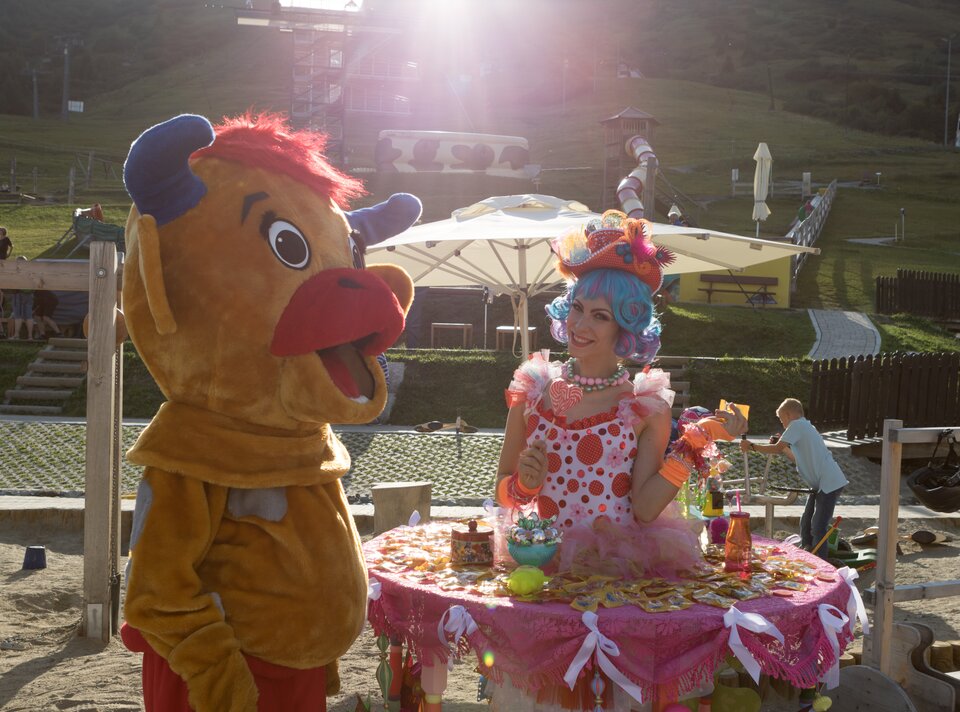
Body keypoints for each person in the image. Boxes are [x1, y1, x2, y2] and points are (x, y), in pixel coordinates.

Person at [740, 398, 847, 558]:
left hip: (829, 482)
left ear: (789, 415)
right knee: (806, 522)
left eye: (782, 419)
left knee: (818, 526)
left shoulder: (797, 425)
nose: (782, 424)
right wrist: (781, 447)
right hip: (820, 483)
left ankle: (821, 561)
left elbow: (776, 449)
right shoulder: (804, 426)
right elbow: (795, 458)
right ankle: (808, 551)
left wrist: (751, 447)